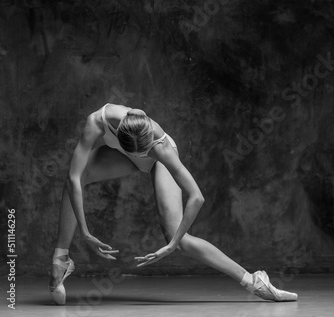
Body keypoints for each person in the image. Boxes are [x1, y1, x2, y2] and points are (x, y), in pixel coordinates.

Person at [48, 103, 298, 305]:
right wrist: (84, 230)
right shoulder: (96, 122)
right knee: (76, 179)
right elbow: (72, 177)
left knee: (180, 237)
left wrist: (173, 244)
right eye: (136, 153)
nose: (139, 156)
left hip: (153, 158)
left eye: (142, 152)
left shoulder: (161, 147)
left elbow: (197, 197)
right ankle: (61, 260)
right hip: (126, 152)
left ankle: (253, 281)